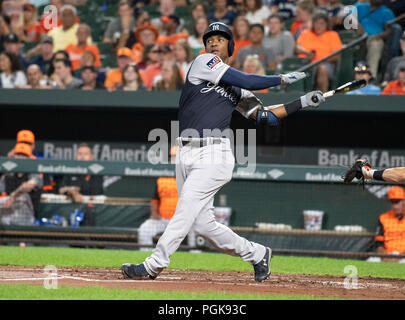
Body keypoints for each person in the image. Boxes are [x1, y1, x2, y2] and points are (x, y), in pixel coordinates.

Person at [120, 22, 324, 281]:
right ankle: (258, 253)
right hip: (185, 153)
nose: (214, 43)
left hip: (214, 155)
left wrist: (301, 103)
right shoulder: (203, 62)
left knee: (184, 208)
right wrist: (279, 79)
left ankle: (153, 265)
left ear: (231, 47)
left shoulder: (239, 89)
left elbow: (264, 117)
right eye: (210, 39)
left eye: (220, 39)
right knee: (203, 226)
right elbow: (246, 78)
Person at [138, 146, 195, 249]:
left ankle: (197, 257)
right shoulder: (162, 177)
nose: (175, 159)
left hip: (184, 220)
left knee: (198, 228)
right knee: (144, 229)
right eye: (173, 157)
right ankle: (148, 259)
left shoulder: (190, 175)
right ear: (169, 159)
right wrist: (154, 214)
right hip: (163, 220)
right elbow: (155, 200)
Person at [296, 12, 342, 92]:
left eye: (322, 23)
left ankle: (322, 96)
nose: (318, 26)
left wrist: (319, 60)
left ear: (327, 24)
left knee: (322, 68)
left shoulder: (332, 35)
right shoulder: (306, 33)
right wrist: (307, 53)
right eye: (316, 23)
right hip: (306, 64)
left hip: (325, 64)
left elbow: (336, 56)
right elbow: (297, 47)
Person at [352, 0, 397, 79]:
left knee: (376, 44)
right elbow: (348, 20)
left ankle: (370, 78)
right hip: (357, 37)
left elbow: (390, 30)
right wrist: (356, 25)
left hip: (375, 38)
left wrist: (379, 36)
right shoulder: (359, 7)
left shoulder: (387, 12)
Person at [0, 143, 43, 226]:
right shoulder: (8, 175)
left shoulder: (34, 174)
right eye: (18, 154)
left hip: (28, 217)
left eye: (23, 155)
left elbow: (28, 186)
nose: (20, 157)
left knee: (23, 196)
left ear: (29, 158)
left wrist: (13, 196)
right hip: (8, 214)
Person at [374, 186, 405, 262]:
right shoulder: (383, 217)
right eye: (392, 202)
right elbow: (379, 243)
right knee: (371, 262)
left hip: (403, 256)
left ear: (404, 201)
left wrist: (398, 257)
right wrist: (383, 257)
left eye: (397, 202)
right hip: (386, 254)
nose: (394, 206)